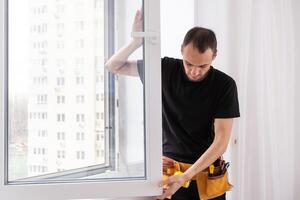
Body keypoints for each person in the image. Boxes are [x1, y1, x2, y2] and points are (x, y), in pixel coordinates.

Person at [105, 10, 240, 200]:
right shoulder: (165, 69)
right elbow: (113, 66)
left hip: (204, 174)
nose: (194, 71)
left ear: (214, 56)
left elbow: (221, 142)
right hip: (167, 171)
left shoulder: (224, 85)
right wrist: (135, 42)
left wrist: (186, 176)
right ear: (181, 50)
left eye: (202, 66)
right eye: (189, 63)